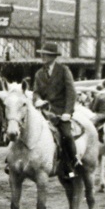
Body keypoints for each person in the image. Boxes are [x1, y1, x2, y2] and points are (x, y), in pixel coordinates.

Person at [31, 42, 79, 179]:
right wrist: (37, 100)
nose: (43, 57)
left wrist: (67, 113)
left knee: (66, 135)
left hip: (60, 112)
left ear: (53, 56)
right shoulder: (39, 73)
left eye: (46, 55)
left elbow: (71, 93)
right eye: (42, 54)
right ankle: (12, 161)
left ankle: (72, 163)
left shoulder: (64, 70)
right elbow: (36, 92)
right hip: (43, 111)